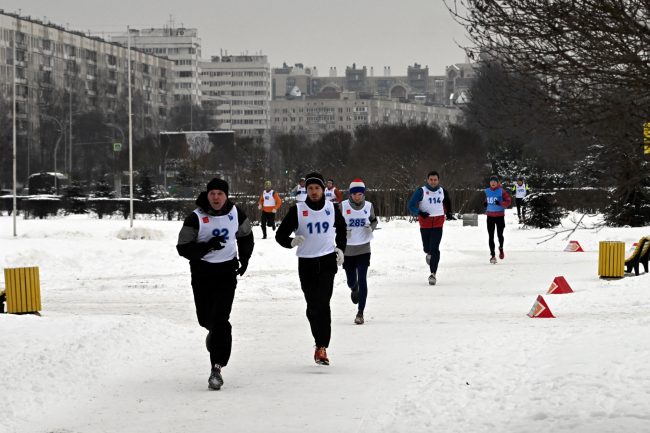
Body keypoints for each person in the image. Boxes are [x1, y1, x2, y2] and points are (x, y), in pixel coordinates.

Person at [176, 178, 254, 390]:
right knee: (205, 318)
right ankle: (214, 334)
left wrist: (245, 259)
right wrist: (206, 246)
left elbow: (246, 236)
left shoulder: (236, 213)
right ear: (207, 195)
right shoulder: (196, 218)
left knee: (221, 319)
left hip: (227, 271)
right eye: (213, 194)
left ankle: (216, 368)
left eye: (220, 194)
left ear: (226, 196)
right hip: (202, 272)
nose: (216, 197)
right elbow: (183, 248)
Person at [275, 172, 347, 365]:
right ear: (305, 190)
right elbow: (280, 235)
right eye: (310, 188)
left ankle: (322, 346)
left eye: (317, 188)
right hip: (306, 263)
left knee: (323, 303)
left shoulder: (332, 209)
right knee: (313, 306)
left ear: (324, 190)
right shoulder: (297, 210)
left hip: (326, 262)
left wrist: (340, 248)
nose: (314, 192)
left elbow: (341, 228)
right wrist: (291, 242)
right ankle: (319, 341)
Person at [341, 179, 378, 325]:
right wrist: (343, 231)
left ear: (363, 194)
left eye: (360, 194)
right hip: (348, 249)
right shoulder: (342, 206)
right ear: (350, 194)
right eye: (355, 194)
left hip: (363, 248)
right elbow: (335, 223)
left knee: (363, 279)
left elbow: (374, 220)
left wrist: (371, 228)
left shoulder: (368, 206)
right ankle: (353, 288)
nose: (357, 196)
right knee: (351, 281)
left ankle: (360, 312)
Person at [407, 170, 453, 285]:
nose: (433, 182)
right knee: (427, 248)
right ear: (427, 180)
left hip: (438, 223)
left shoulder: (443, 191)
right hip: (425, 224)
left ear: (438, 180)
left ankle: (433, 274)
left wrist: (449, 213)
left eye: (435, 180)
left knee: (435, 248)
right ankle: (428, 254)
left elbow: (447, 203)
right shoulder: (421, 191)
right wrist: (419, 212)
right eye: (431, 180)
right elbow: (411, 205)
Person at [484, 175, 512, 264]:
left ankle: (501, 248)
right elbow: (487, 199)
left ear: (497, 183)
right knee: (491, 236)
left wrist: (500, 203)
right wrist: (485, 203)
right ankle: (492, 255)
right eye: (491, 181)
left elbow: (508, 201)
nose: (493, 183)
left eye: (494, 182)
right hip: (490, 217)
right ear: (489, 183)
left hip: (500, 217)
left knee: (500, 235)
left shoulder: (501, 191)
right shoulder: (487, 191)